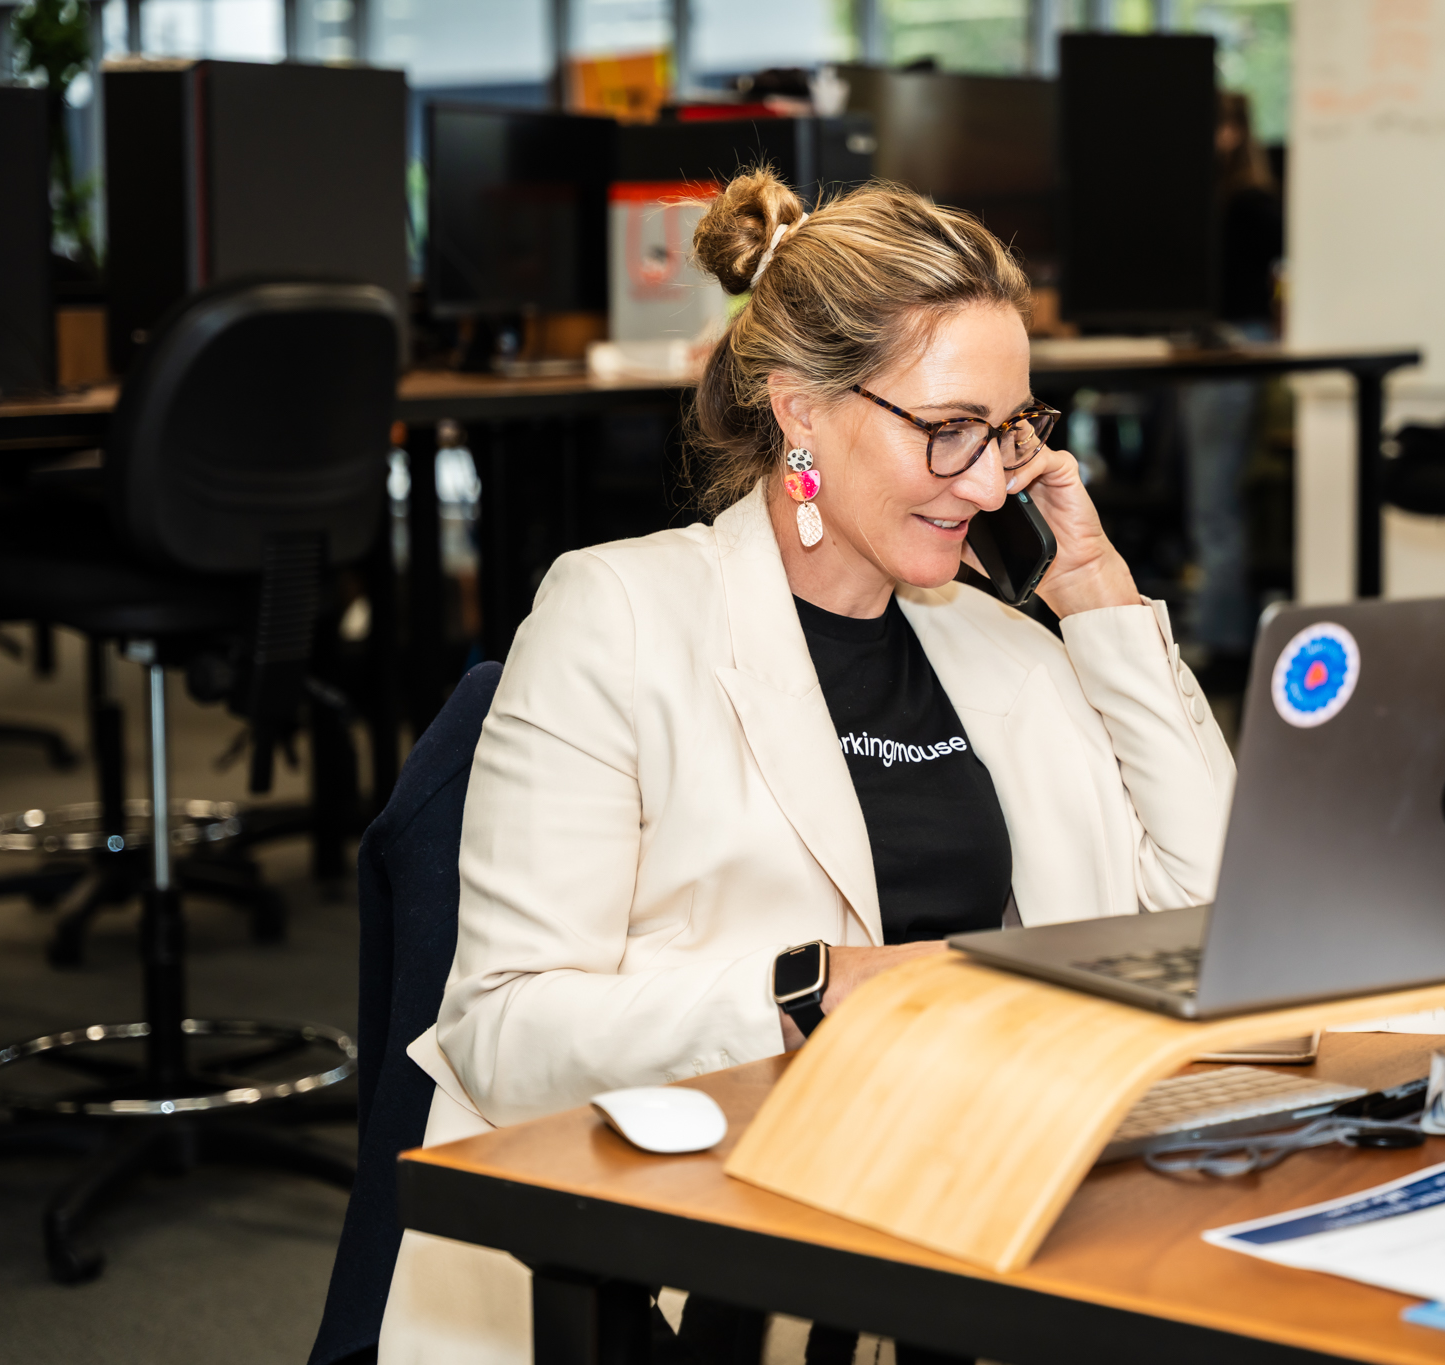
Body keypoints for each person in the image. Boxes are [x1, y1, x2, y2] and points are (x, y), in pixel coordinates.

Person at [377, 169, 1235, 1365]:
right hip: (694, 1255)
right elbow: (503, 1033)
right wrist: (814, 990)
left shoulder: (998, 643)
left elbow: (1210, 923)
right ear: (799, 413)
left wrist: (1091, 588)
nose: (989, 484)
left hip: (963, 1218)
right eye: (946, 429)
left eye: (1012, 431)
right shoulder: (617, 615)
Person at [1180, 90, 1285, 693]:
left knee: (1215, 507)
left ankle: (1224, 643)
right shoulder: (1228, 198)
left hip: (1229, 349)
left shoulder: (1244, 204)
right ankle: (1221, 631)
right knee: (1210, 504)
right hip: (1217, 349)